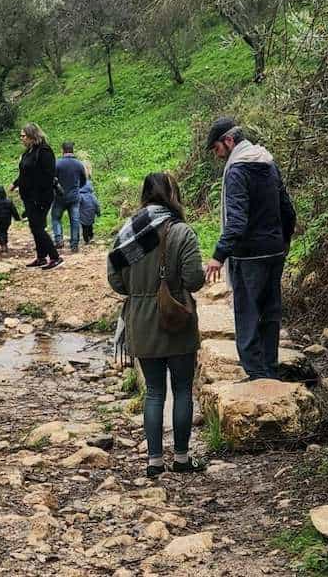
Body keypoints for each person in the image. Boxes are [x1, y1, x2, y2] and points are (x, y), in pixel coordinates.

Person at [108, 172, 206, 476]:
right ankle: (180, 457)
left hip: (140, 319)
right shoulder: (182, 232)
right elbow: (194, 280)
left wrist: (140, 292)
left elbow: (115, 281)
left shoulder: (128, 232)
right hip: (176, 318)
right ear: (172, 195)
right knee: (182, 390)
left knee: (153, 391)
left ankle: (153, 462)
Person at [204, 117, 297, 381]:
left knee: (247, 313)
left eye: (217, 149)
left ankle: (256, 375)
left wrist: (218, 256)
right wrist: (284, 239)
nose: (217, 154)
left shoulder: (236, 171)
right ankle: (270, 368)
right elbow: (287, 208)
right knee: (270, 312)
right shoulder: (268, 162)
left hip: (248, 255)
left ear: (229, 140)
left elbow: (236, 222)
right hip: (274, 251)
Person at [9, 123, 62, 269]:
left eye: (23, 136)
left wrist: (38, 197)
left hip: (40, 197)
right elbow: (25, 173)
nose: (21, 138)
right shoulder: (29, 151)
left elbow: (47, 176)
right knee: (35, 226)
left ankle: (55, 257)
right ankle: (41, 257)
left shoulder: (44, 151)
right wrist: (15, 184)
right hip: (29, 197)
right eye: (21, 136)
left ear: (32, 136)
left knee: (38, 227)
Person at [52, 142, 88, 253]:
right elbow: (84, 181)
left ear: (63, 150)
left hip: (59, 197)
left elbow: (52, 179)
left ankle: (59, 240)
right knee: (75, 220)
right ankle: (74, 245)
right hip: (74, 197)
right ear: (73, 150)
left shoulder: (57, 163)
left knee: (56, 217)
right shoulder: (79, 164)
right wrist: (77, 188)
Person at [0, 185, 20, 254]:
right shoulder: (9, 202)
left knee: (0, 233)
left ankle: (3, 245)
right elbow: (14, 211)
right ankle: (5, 244)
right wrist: (17, 218)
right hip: (7, 221)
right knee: (4, 231)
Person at [79, 173, 101, 243]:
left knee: (84, 228)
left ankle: (86, 240)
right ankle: (91, 236)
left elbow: (76, 205)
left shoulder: (80, 196)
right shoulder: (92, 196)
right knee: (90, 227)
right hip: (91, 214)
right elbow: (96, 204)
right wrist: (98, 213)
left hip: (82, 215)